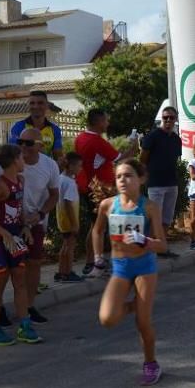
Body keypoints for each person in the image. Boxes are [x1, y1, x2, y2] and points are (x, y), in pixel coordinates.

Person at [92, 159, 167, 386]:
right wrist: (97, 258)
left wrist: (144, 240)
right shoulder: (107, 205)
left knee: (143, 322)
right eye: (118, 177)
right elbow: (97, 231)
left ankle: (151, 364)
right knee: (107, 318)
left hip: (144, 266)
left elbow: (163, 245)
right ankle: (138, 303)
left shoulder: (149, 206)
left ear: (141, 179)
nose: (122, 180)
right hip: (121, 267)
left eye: (128, 175)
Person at [0, 127, 60, 325]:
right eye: (20, 143)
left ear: (40, 146)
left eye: (28, 143)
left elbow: (54, 195)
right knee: (2, 276)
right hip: (3, 230)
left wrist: (35, 217)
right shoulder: (1, 171)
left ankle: (27, 312)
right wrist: (0, 212)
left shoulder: (45, 167)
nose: (23, 147)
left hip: (27, 225)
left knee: (28, 268)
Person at [0, 144, 41, 346]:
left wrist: (25, 228)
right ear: (15, 160)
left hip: (16, 237)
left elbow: (19, 209)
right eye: (21, 157)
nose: (24, 161)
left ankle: (24, 325)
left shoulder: (21, 181)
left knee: (20, 280)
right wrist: (4, 233)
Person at [75, 108, 140, 275]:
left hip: (88, 186)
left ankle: (94, 261)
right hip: (100, 189)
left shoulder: (81, 138)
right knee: (100, 227)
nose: (108, 123)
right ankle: (96, 262)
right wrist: (134, 145)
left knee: (96, 226)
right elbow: (123, 159)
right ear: (98, 122)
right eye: (105, 120)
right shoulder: (98, 142)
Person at [140, 106, 182, 258]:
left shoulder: (177, 139)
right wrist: (143, 177)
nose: (168, 120)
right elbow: (143, 158)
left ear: (176, 119)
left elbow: (175, 159)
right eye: (165, 118)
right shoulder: (152, 136)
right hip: (155, 184)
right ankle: (150, 251)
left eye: (171, 117)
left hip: (172, 183)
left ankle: (161, 248)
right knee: (154, 219)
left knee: (166, 219)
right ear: (161, 120)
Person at [8, 90, 63, 162]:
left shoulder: (55, 130)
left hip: (45, 171)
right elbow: (12, 153)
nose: (36, 106)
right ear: (28, 105)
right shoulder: (18, 127)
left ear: (47, 105)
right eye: (32, 103)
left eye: (40, 103)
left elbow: (58, 158)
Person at [56, 152, 84, 282]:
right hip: (69, 220)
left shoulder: (60, 178)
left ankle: (61, 272)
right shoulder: (70, 183)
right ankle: (68, 272)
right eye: (79, 166)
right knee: (70, 247)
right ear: (71, 166)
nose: (80, 169)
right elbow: (68, 203)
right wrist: (74, 223)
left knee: (65, 245)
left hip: (61, 218)